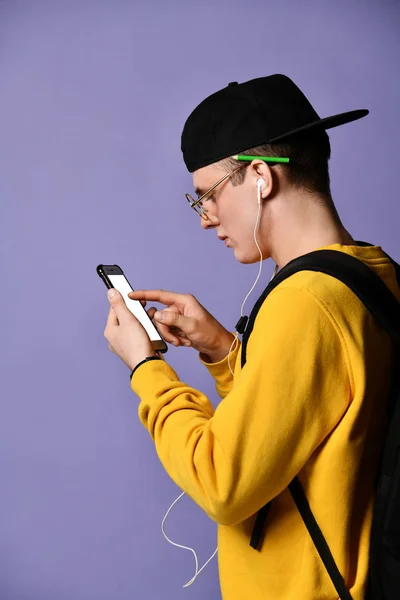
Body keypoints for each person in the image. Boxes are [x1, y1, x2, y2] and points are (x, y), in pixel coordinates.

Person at [104, 74, 400, 599]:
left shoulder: (305, 303)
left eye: (208, 196)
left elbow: (222, 482)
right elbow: (314, 422)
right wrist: (223, 350)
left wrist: (145, 368)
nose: (206, 219)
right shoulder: (375, 273)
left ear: (261, 176)